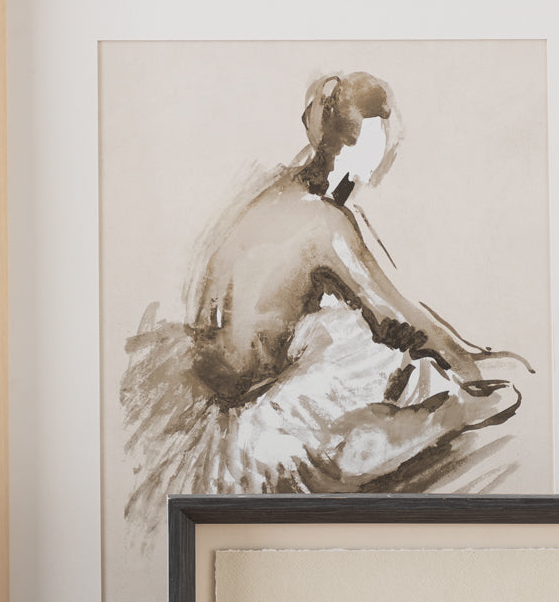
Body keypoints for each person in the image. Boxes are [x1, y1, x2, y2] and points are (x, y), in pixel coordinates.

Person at [120, 71, 528, 537]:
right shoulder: (326, 223)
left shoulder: (280, 190)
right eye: (384, 138)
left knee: (348, 332)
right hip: (253, 431)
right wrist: (470, 370)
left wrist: (461, 353)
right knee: (446, 396)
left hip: (224, 384)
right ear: (363, 148)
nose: (389, 153)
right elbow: (395, 319)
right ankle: (449, 409)